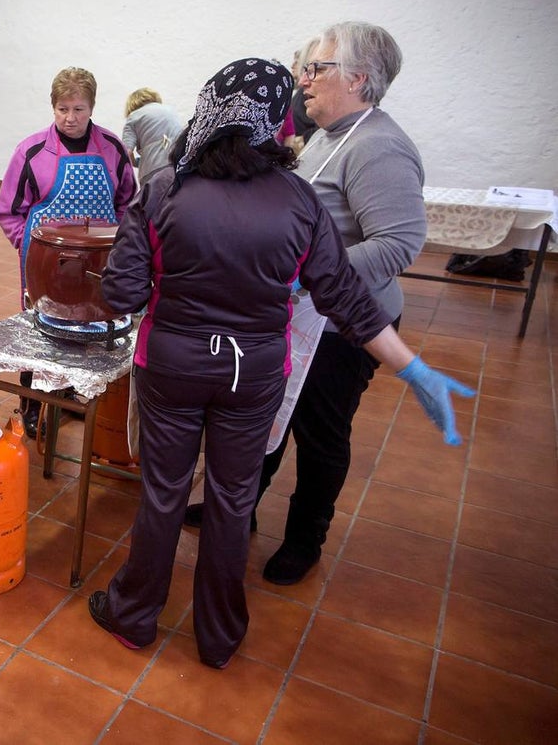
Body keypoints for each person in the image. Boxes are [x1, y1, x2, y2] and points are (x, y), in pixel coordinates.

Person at [86, 58, 473, 670]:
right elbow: (345, 296)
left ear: (206, 110)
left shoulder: (166, 190)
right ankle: (219, 635)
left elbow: (125, 294)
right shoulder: (298, 199)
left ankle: (134, 616)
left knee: (164, 494)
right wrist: (415, 370)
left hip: (173, 366)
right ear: (277, 121)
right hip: (255, 373)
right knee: (233, 499)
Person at [184, 22, 429, 587]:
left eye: (317, 68)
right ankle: (240, 513)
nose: (304, 79)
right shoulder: (330, 134)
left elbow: (399, 244)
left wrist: (310, 276)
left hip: (345, 324)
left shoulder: (379, 146)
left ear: (359, 78)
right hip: (301, 312)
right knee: (271, 413)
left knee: (320, 430)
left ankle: (304, 539)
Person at [0, 66, 137, 437]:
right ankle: (30, 405)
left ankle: (73, 395)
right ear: (52, 106)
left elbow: (127, 204)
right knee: (41, 333)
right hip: (46, 263)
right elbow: (9, 210)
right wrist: (29, 250)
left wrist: (115, 245)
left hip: (98, 263)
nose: (70, 118)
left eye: (78, 109)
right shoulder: (31, 151)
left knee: (87, 325)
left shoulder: (113, 150)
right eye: (62, 109)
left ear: (91, 107)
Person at [122, 87, 184, 184]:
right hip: (178, 165)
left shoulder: (133, 117)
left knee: (154, 198)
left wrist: (136, 163)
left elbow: (126, 152)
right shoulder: (170, 110)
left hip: (152, 170)